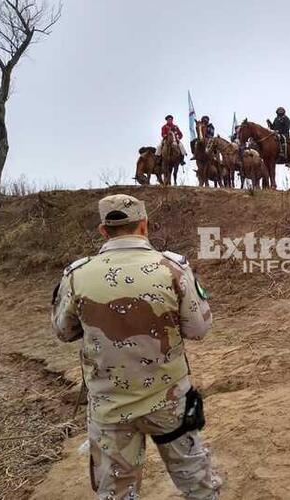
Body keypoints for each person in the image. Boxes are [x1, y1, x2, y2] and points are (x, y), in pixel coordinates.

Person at [51, 194, 221, 498]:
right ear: (144, 225)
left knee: (115, 492)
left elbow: (63, 332)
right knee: (197, 483)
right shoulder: (173, 268)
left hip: (109, 406)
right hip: (169, 401)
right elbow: (199, 329)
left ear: (103, 231)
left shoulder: (77, 275)